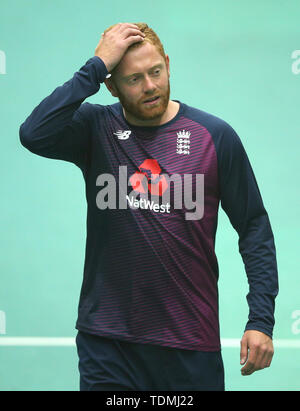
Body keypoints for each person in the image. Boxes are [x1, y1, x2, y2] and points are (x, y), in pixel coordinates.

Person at [19, 22, 279, 391]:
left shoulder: (214, 136)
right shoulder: (95, 129)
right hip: (107, 343)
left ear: (168, 64)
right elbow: (34, 133)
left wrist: (260, 320)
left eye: (155, 71)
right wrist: (95, 65)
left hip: (189, 342)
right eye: (134, 79)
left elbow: (254, 228)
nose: (150, 86)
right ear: (111, 84)